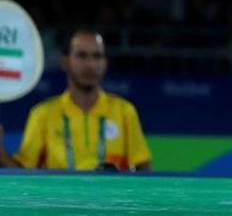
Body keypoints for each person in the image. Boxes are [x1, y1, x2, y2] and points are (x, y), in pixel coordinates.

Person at [0, 30, 151, 171]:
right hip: (60, 193)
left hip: (111, 192)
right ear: (65, 62)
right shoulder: (42, 114)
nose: (90, 65)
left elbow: (143, 168)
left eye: (97, 56)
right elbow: (22, 174)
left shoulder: (124, 111)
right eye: (81, 56)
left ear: (105, 63)